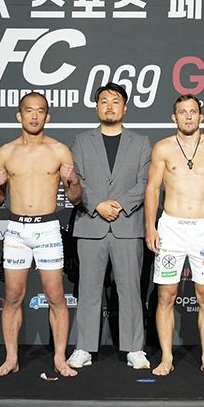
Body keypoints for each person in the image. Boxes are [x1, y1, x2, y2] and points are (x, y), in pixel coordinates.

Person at [0, 92, 82, 377]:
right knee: (13, 296)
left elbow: (76, 198)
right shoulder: (5, 152)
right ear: (20, 115)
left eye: (40, 111)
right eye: (29, 110)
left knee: (56, 296)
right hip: (16, 230)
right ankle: (11, 359)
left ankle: (60, 359)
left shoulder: (59, 151)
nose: (34, 115)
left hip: (47, 228)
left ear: (47, 117)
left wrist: (73, 181)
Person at [144, 94, 204, 377]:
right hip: (171, 227)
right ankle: (166, 358)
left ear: (201, 116)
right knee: (166, 295)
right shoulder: (163, 148)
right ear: (174, 117)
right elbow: (152, 189)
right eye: (182, 112)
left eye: (193, 111)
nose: (188, 116)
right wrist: (150, 226)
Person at [67, 82, 152, 370]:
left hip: (127, 225)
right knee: (88, 290)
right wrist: (97, 205)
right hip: (91, 224)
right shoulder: (81, 141)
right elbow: (76, 180)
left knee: (130, 290)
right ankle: (84, 347)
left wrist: (120, 205)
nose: (109, 106)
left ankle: (134, 348)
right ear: (96, 107)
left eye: (115, 101)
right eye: (104, 101)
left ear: (125, 108)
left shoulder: (141, 142)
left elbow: (145, 182)